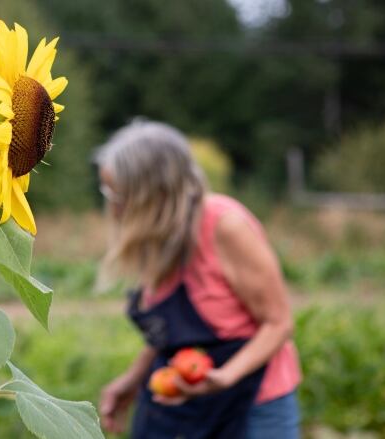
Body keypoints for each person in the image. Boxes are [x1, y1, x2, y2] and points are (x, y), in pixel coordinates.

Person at [96, 120, 301, 439]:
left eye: (118, 195)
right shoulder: (156, 235)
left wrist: (224, 377)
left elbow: (279, 323)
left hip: (253, 404)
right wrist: (133, 379)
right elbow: (169, 329)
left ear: (154, 194)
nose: (113, 207)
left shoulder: (224, 227)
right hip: (184, 396)